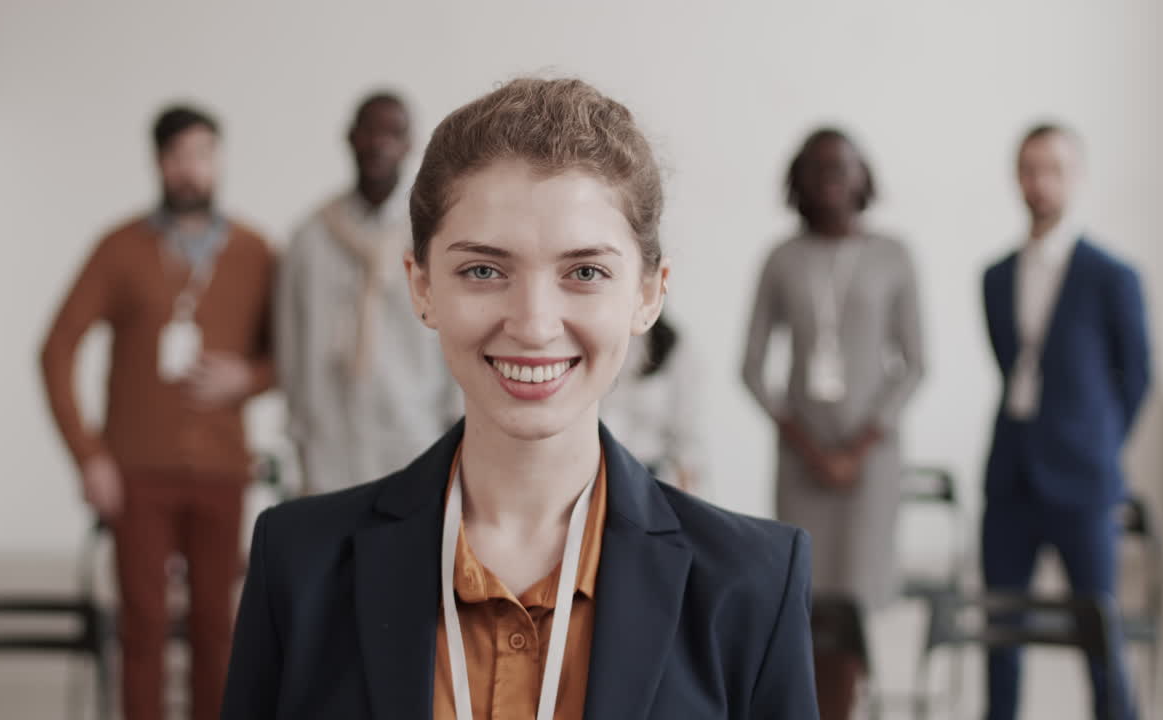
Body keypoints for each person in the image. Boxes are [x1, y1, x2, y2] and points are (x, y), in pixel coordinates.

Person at [222, 77, 819, 719]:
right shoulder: (298, 565)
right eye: (484, 270)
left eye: (585, 272)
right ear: (422, 287)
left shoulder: (754, 583)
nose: (534, 325)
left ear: (648, 293)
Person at [39, 105, 275, 720]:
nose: (189, 168)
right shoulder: (120, 248)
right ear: (158, 163)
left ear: (218, 160)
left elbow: (288, 358)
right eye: (176, 156)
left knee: (216, 628)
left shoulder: (255, 252)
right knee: (141, 626)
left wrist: (247, 378)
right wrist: (89, 456)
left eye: (201, 153)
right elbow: (56, 348)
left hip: (222, 471)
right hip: (136, 473)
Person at [742, 128, 924, 720]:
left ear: (862, 176)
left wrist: (857, 448)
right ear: (799, 178)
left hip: (869, 466)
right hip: (803, 464)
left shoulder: (893, 255)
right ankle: (809, 706)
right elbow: (751, 368)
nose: (830, 178)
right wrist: (810, 448)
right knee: (806, 594)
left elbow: (914, 364)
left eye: (842, 166)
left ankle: (842, 706)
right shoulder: (781, 258)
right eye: (817, 167)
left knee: (855, 598)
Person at [981, 123, 1150, 720]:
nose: (1040, 182)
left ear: (1076, 176)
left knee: (1099, 636)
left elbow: (1137, 376)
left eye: (1053, 169)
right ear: (1016, 177)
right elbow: (1010, 364)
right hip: (1010, 478)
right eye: (1029, 169)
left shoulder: (1112, 275)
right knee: (1000, 635)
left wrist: (1097, 443)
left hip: (1084, 481)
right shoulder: (996, 276)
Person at [276, 91, 458, 494]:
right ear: (350, 137)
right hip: (329, 440)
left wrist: (455, 423)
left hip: (414, 435)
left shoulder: (433, 237)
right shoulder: (311, 237)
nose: (379, 143)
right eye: (369, 131)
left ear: (409, 145)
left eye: (393, 133)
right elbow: (290, 341)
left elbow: (456, 329)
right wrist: (298, 427)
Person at [599, 312, 706, 494]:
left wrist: (686, 476)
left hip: (651, 473)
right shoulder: (599, 340)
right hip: (600, 471)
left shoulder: (673, 345)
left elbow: (687, 424)